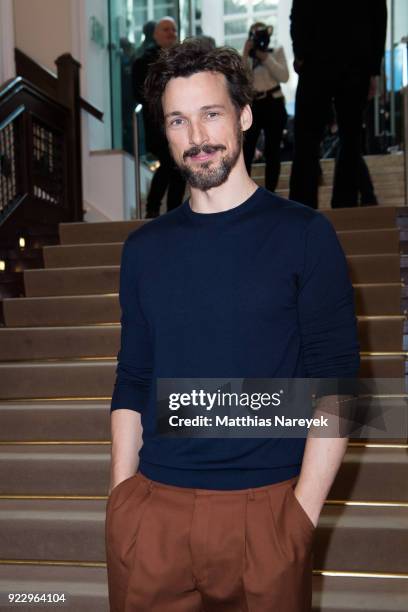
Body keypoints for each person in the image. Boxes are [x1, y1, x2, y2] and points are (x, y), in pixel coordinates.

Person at [106, 40, 360, 611]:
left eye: (211, 113)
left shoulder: (304, 236)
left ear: (245, 115)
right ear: (165, 132)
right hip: (154, 514)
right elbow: (133, 377)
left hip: (266, 513)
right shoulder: (143, 250)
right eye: (178, 119)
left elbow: (338, 383)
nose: (197, 136)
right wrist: (121, 498)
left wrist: (300, 517)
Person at [289, 0, 387, 208]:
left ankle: (301, 208)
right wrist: (373, 70)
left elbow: (299, 11)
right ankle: (344, 204)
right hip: (354, 60)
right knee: (350, 138)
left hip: (317, 58)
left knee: (307, 139)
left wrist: (300, 53)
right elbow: (378, 17)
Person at [132, 17, 185, 217]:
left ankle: (173, 211)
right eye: (166, 29)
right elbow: (139, 93)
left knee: (179, 165)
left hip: (180, 121)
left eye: (173, 29)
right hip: (156, 123)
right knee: (171, 162)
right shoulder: (143, 61)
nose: (171, 33)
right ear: (155, 35)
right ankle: (154, 208)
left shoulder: (182, 59)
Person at [243, 22, 289, 192]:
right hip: (253, 105)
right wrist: (247, 54)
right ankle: (244, 192)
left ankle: (271, 191)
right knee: (246, 150)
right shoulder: (247, 56)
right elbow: (242, 81)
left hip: (274, 102)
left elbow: (284, 76)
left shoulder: (275, 51)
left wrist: (265, 58)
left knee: (273, 150)